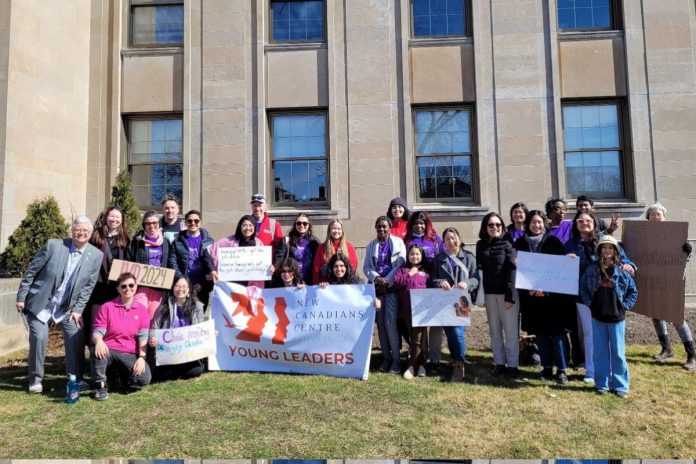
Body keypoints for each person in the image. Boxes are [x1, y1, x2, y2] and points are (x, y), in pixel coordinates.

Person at [16, 216, 103, 393]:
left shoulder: (95, 255)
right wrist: (21, 296)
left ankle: (75, 378)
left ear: (91, 233)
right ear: (72, 230)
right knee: (39, 338)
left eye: (86, 231)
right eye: (78, 229)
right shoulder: (54, 246)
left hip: (67, 307)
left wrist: (78, 310)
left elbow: (88, 287)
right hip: (40, 302)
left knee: (75, 334)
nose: (81, 233)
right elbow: (31, 272)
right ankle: (35, 380)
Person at [564, 211, 636, 384]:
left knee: (612, 338)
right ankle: (592, 371)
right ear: (575, 224)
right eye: (580, 221)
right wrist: (565, 260)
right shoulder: (570, 245)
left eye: (587, 220)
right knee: (590, 335)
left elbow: (623, 259)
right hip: (584, 298)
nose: (584, 223)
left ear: (594, 223)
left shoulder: (605, 240)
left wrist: (630, 266)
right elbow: (561, 269)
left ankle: (613, 372)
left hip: (609, 299)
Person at [514, 210, 574, 384]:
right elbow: (519, 272)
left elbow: (559, 268)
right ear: (527, 225)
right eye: (533, 222)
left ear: (545, 224)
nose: (536, 225)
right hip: (531, 298)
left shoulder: (553, 242)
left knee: (557, 334)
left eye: (539, 222)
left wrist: (567, 259)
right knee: (539, 334)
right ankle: (547, 367)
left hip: (552, 299)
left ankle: (561, 370)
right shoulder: (519, 243)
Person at [579, 235, 638, 398]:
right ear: (599, 250)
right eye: (604, 247)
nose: (607, 250)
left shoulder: (622, 270)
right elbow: (583, 287)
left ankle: (620, 386)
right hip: (597, 318)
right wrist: (590, 303)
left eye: (610, 247)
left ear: (616, 251)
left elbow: (633, 291)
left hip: (616, 319)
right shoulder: (592, 269)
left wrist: (624, 306)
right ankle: (602, 384)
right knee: (600, 352)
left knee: (618, 353)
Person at [643, 202, 695, 371]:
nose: (654, 217)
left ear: (664, 217)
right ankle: (666, 349)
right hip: (652, 281)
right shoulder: (644, 236)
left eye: (658, 214)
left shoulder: (675, 234)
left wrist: (687, 251)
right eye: (651, 214)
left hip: (672, 281)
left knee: (676, 317)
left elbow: (681, 259)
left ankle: (691, 355)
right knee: (656, 315)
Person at [91, 272, 151, 400]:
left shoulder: (141, 310)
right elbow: (97, 332)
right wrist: (99, 341)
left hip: (129, 352)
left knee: (144, 379)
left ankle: (120, 376)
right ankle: (100, 385)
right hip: (110, 349)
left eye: (131, 285)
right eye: (123, 286)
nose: (127, 289)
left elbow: (143, 337)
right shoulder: (107, 307)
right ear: (118, 289)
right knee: (98, 350)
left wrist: (142, 358)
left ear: (136, 287)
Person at [431, 227, 479, 381]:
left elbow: (476, 278)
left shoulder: (469, 257)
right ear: (443, 242)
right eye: (447, 239)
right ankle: (455, 359)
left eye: (453, 238)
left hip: (462, 300)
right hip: (444, 301)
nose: (451, 241)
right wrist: (441, 282)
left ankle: (459, 361)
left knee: (458, 332)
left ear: (459, 238)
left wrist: (467, 283)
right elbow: (432, 278)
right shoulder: (439, 259)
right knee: (450, 333)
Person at [476, 212, 519, 378]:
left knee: (510, 332)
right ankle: (499, 363)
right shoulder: (481, 245)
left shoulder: (509, 244)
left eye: (498, 225)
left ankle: (513, 365)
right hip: (489, 294)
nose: (495, 228)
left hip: (506, 296)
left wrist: (510, 296)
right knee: (495, 331)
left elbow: (512, 272)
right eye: (491, 225)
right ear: (485, 227)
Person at [364, 216, 407, 373]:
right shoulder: (371, 246)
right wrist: (376, 278)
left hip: (392, 288)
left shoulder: (398, 243)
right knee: (381, 325)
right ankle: (386, 358)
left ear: (390, 227)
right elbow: (367, 267)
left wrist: (387, 280)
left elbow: (401, 263)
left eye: (384, 226)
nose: (381, 229)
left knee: (390, 324)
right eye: (379, 227)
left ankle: (396, 360)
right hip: (377, 288)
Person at [87, 206, 130, 347]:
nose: (114, 219)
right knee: (96, 322)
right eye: (111, 216)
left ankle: (112, 356)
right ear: (106, 217)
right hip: (98, 288)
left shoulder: (125, 239)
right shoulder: (96, 236)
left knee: (114, 323)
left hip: (116, 289)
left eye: (118, 217)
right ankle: (95, 356)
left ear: (122, 220)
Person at [148, 276, 206, 381]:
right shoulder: (164, 306)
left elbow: (201, 328)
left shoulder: (196, 306)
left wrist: (209, 334)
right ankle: (174, 369)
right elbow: (154, 328)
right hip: (169, 352)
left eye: (184, 286)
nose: (180, 289)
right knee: (161, 377)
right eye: (177, 286)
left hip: (189, 351)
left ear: (189, 289)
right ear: (173, 288)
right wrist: (152, 339)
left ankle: (178, 369)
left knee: (196, 371)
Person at [393, 243, 430, 379]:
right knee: (413, 337)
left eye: (417, 254)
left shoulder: (426, 270)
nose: (415, 256)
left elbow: (431, 287)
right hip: (407, 309)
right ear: (408, 256)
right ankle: (422, 364)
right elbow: (397, 282)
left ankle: (411, 367)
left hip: (422, 309)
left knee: (418, 339)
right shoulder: (403, 269)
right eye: (412, 254)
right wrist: (409, 273)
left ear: (422, 256)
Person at [126, 210, 172, 319]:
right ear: (144, 225)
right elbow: (129, 260)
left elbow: (170, 263)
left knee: (153, 317)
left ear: (159, 224)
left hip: (159, 288)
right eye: (148, 223)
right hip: (141, 286)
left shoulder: (166, 242)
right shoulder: (137, 242)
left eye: (155, 223)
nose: (152, 226)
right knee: (137, 315)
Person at [168, 209, 215, 306]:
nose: (193, 223)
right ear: (185, 222)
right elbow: (172, 262)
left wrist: (202, 283)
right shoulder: (177, 242)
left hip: (202, 287)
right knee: (184, 318)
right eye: (189, 221)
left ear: (200, 222)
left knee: (200, 318)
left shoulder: (209, 242)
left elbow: (212, 264)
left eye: (196, 221)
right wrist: (182, 280)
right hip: (183, 287)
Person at [207, 215, 267, 288]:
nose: (248, 228)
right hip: (231, 287)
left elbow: (264, 264)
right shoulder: (228, 241)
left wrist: (269, 267)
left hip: (252, 286)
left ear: (254, 227)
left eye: (250, 225)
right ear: (240, 227)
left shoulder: (259, 244)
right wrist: (212, 270)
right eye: (244, 225)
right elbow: (207, 251)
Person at [274, 213, 321, 285]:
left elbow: (318, 261)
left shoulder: (315, 242)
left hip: (309, 281)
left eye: (305, 223)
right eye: (299, 223)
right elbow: (278, 260)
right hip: (291, 281)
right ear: (295, 225)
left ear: (308, 226)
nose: (302, 225)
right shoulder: (286, 240)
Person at [311, 218, 358, 284]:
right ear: (329, 231)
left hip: (346, 285)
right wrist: (318, 284)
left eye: (339, 229)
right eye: (334, 228)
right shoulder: (322, 247)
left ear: (342, 231)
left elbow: (353, 267)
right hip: (326, 285)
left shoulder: (349, 247)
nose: (336, 231)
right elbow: (316, 269)